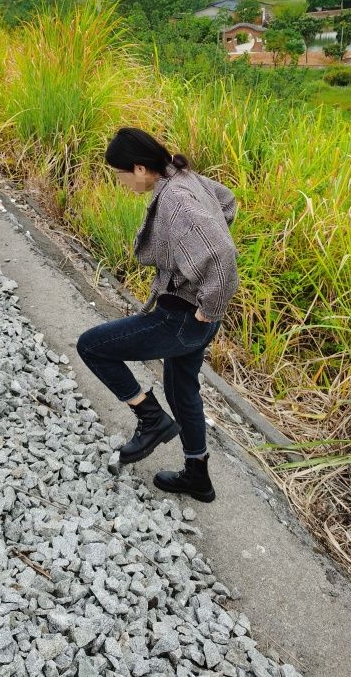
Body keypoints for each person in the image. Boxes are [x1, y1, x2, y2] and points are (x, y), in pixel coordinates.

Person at [76, 127, 239, 502]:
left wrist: (210, 305)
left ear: (138, 168)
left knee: (92, 346)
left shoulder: (176, 200)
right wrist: (191, 264)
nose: (120, 183)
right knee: (182, 391)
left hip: (183, 318)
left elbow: (221, 256)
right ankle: (197, 476)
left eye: (119, 175)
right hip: (194, 315)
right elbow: (226, 201)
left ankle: (150, 419)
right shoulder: (182, 176)